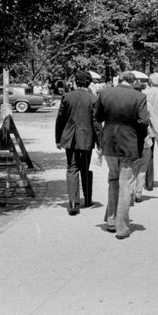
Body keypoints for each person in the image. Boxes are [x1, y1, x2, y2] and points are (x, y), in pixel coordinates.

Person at [95, 71, 149, 239]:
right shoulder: (138, 97)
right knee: (126, 185)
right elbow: (143, 121)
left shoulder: (105, 93)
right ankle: (122, 227)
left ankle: (111, 221)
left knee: (113, 180)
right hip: (129, 142)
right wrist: (139, 136)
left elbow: (98, 116)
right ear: (133, 82)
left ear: (119, 80)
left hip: (109, 142)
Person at [55, 70, 102, 215]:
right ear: (89, 82)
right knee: (85, 167)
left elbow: (60, 119)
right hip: (87, 138)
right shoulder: (93, 99)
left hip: (70, 138)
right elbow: (96, 123)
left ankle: (73, 202)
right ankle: (87, 199)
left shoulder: (67, 97)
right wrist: (100, 142)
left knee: (72, 168)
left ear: (75, 82)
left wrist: (58, 139)